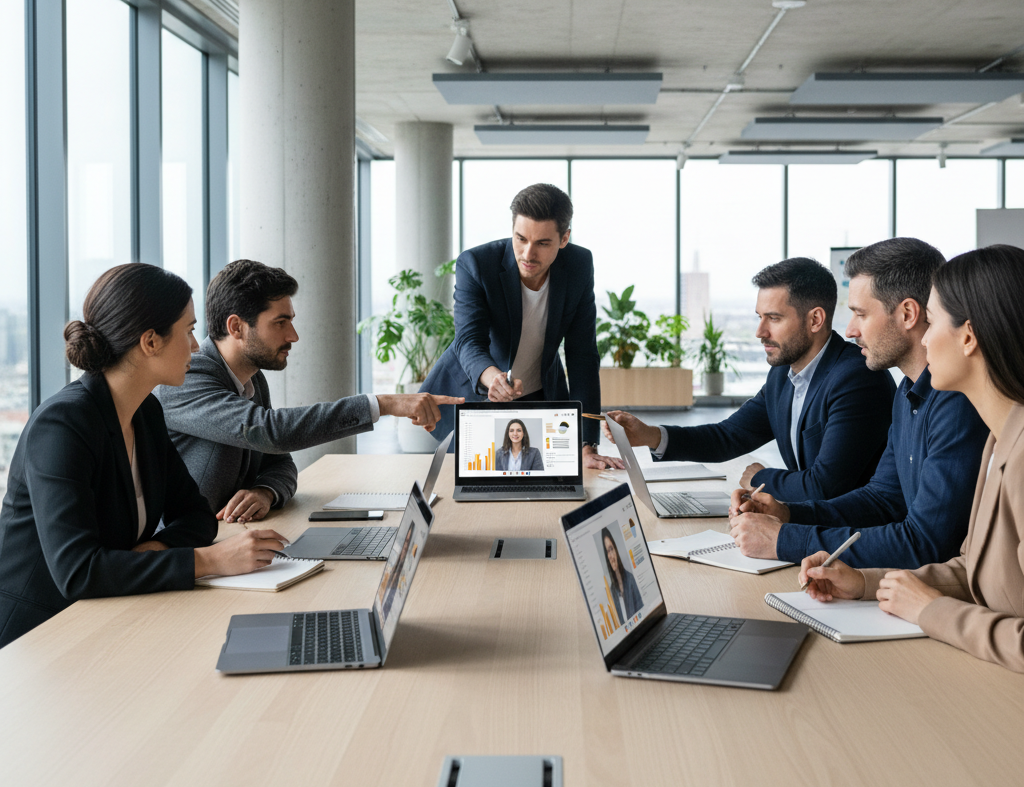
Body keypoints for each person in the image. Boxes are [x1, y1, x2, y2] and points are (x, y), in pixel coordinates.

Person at [0, 264, 290, 649]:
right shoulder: (63, 424)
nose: (194, 346)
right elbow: (79, 572)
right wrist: (212, 561)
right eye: (188, 332)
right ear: (150, 341)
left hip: (109, 614)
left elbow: (197, 516)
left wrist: (151, 550)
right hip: (39, 636)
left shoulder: (146, 413)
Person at [801, 244, 1024, 673]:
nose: (923, 337)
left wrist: (931, 611)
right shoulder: (1000, 441)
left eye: (934, 321)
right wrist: (868, 583)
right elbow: (979, 571)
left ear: (968, 336)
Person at [729, 238, 990, 567]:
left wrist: (785, 539)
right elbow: (882, 499)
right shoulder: (907, 392)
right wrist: (788, 512)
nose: (850, 330)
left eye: (860, 314)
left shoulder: (957, 404)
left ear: (908, 314)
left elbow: (927, 544)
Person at [156, 260, 463, 522]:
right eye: (280, 322)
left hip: (228, 537)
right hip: (180, 548)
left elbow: (281, 463)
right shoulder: (189, 378)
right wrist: (383, 404)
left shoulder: (251, 379)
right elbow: (271, 432)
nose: (294, 335)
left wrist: (265, 492)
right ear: (237, 327)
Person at [604, 256, 897, 502]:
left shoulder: (857, 379)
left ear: (815, 320)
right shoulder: (783, 374)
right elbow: (728, 436)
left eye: (774, 318)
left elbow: (824, 486)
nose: (760, 332)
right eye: (759, 317)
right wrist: (650, 435)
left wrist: (759, 477)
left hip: (853, 542)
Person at [421, 183, 623, 470]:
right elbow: (468, 340)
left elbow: (583, 356)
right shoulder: (477, 264)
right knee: (476, 487)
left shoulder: (578, 265)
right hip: (473, 394)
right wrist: (492, 379)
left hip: (541, 394)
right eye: (520, 239)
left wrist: (585, 444)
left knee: (543, 478)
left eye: (543, 243)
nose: (528, 254)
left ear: (564, 238)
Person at [602, 527, 642, 622]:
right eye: (608, 552)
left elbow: (643, 613)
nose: (611, 556)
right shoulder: (612, 590)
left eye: (611, 549)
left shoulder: (630, 579)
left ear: (616, 550)